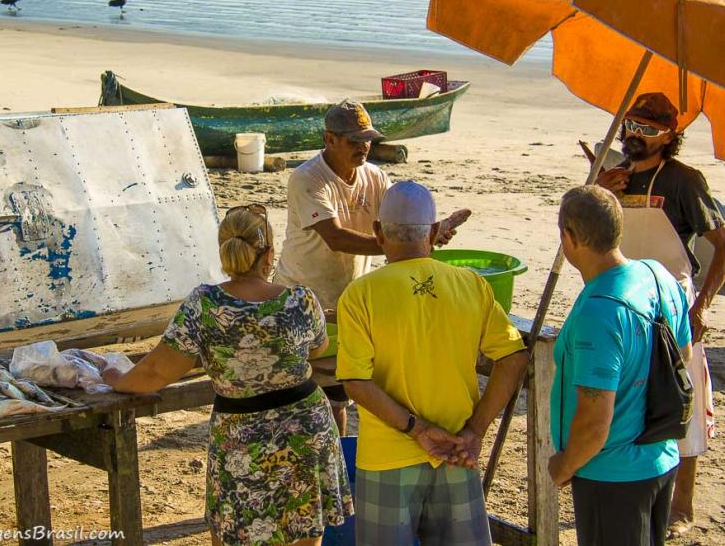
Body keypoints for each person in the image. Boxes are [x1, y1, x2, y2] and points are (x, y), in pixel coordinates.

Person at [108, 205, 354, 545]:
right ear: (269, 255)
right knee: (303, 530)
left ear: (225, 251)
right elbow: (316, 347)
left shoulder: (205, 303)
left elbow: (155, 372)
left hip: (241, 434)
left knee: (235, 530)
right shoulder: (300, 300)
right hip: (305, 428)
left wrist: (111, 378)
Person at [336, 181, 528, 546]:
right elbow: (513, 358)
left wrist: (417, 430)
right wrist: (475, 430)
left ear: (378, 233)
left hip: (387, 457)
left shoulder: (361, 293)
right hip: (457, 452)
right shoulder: (470, 283)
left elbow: (356, 383)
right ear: (435, 232)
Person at [274, 100, 468, 435]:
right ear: (330, 138)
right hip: (301, 297)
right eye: (354, 141)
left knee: (338, 393)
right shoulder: (307, 179)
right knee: (296, 390)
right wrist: (410, 242)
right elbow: (335, 238)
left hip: (347, 300)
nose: (363, 147)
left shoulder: (375, 177)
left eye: (367, 140)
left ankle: (336, 462)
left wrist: (429, 230)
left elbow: (401, 223)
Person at [596, 92, 725, 538]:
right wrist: (599, 194)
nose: (635, 136)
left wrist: (700, 306)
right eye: (631, 125)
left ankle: (682, 506)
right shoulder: (612, 176)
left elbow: (721, 244)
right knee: (626, 396)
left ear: (671, 137)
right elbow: (582, 234)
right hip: (623, 298)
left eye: (648, 130)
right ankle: (633, 485)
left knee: (682, 400)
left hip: (673, 302)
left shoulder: (684, 181)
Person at [549, 185, 692, 545]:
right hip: (660, 457)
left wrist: (564, 465)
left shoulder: (599, 311)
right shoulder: (657, 275)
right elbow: (684, 353)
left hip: (612, 473)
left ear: (570, 237)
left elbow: (595, 422)